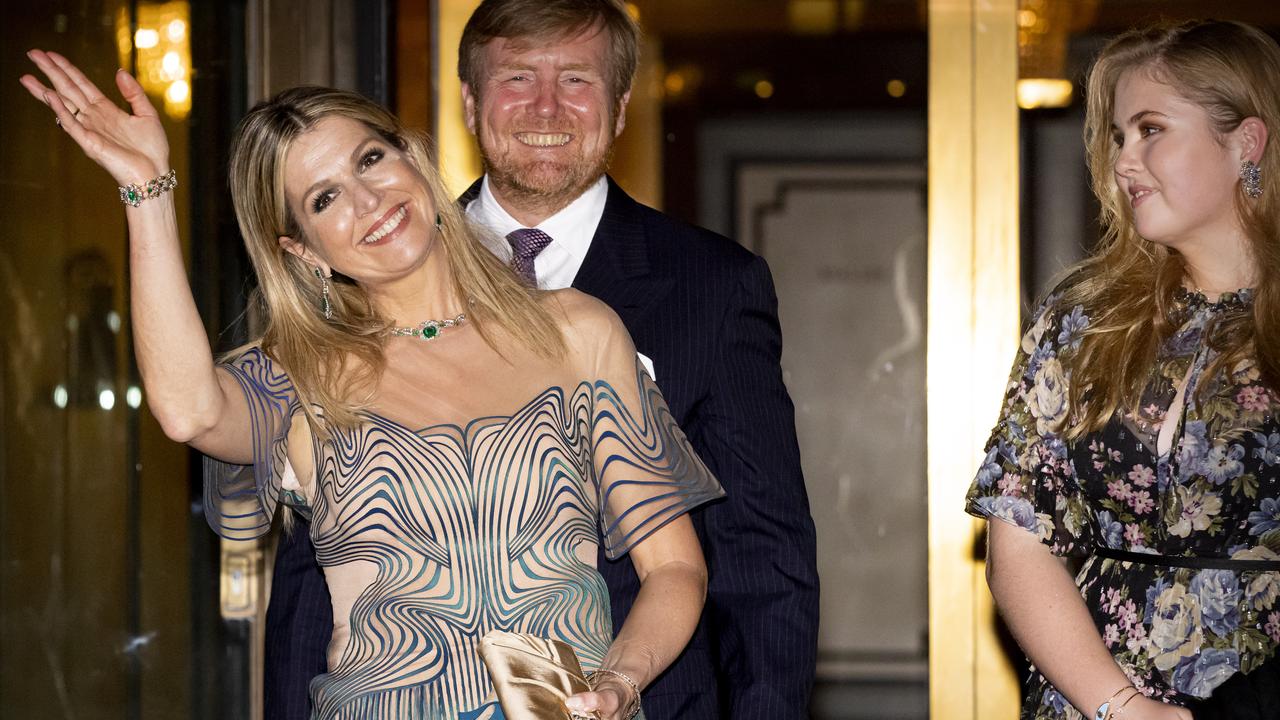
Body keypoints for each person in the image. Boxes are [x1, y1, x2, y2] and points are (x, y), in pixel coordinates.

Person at [21, 48, 728, 720]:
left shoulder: (578, 332)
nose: (368, 201)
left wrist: (619, 682)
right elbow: (187, 410)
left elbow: (673, 569)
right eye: (326, 198)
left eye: (371, 160)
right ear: (299, 249)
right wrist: (146, 190)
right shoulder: (302, 376)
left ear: (411, 158)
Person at [265, 1, 820, 718]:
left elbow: (763, 553)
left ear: (621, 108)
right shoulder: (362, 267)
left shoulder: (713, 286)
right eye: (518, 77)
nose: (547, 106)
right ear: (469, 101)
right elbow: (317, 574)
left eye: (579, 80)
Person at [966, 19, 1280, 720]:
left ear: (1247, 143)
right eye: (1117, 138)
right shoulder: (1081, 320)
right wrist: (1121, 706)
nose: (1124, 162)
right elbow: (1018, 541)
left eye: (1151, 130)